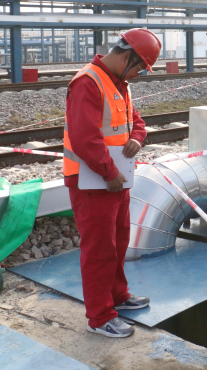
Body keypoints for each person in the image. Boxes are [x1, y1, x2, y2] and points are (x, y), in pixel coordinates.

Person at [63, 28, 161, 338]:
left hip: (115, 180)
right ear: (127, 56)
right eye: (140, 68)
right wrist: (109, 173)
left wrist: (137, 138)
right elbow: (85, 138)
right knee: (99, 250)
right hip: (93, 183)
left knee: (117, 243)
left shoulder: (119, 84)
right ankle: (100, 317)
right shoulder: (88, 83)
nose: (139, 75)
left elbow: (136, 122)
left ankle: (118, 295)